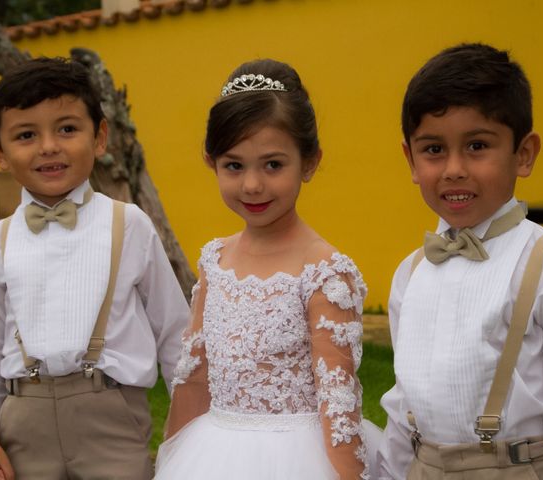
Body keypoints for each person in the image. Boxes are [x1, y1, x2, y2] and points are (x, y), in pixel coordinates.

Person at [377, 43, 543, 479]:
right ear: (410, 159)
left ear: (524, 153)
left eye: (477, 145)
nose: (454, 169)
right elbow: (404, 405)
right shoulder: (411, 273)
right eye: (433, 150)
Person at [153, 58, 381, 480]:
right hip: (211, 456)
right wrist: (170, 459)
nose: (252, 185)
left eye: (273, 165)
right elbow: (194, 376)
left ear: (309, 162)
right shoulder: (214, 260)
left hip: (300, 459)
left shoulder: (324, 271)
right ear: (211, 161)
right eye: (234, 165)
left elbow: (338, 397)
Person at [0, 57, 190, 480]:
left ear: (99, 137)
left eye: (67, 129)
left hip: (112, 417)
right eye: (26, 135)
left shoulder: (130, 224)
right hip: (22, 423)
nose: (49, 146)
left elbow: (175, 331)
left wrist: (190, 424)